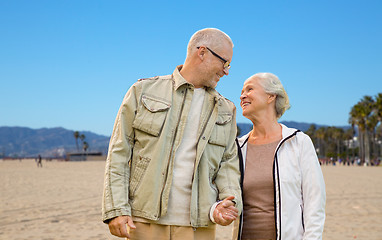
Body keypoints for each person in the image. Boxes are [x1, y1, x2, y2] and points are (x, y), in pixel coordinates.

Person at [102, 28, 242, 240]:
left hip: (200, 226)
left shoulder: (226, 109)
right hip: (144, 221)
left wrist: (229, 201)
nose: (226, 71)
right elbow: (119, 153)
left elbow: (228, 164)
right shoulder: (142, 92)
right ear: (202, 52)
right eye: (225, 63)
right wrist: (116, 209)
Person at [234, 73, 326, 240]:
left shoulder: (298, 142)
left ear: (271, 96)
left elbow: (315, 202)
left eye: (250, 89)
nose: (242, 95)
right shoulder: (238, 147)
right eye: (241, 91)